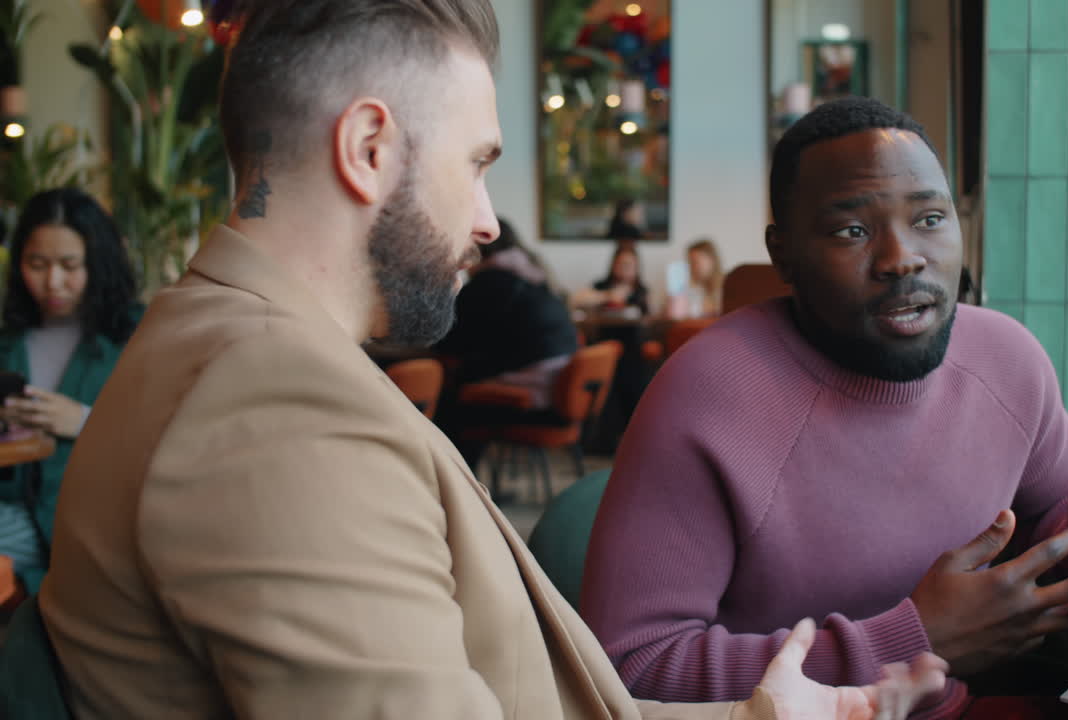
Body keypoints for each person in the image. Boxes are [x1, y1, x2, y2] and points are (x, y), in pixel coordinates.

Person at [37, 4, 947, 718]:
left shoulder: (226, 345)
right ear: (368, 150)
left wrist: (758, 716)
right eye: (475, 165)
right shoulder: (276, 408)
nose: (485, 220)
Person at [581, 97, 1068, 717]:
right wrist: (911, 643)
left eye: (929, 218)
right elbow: (629, 666)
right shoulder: (710, 393)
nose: (901, 258)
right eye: (852, 231)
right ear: (783, 253)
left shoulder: (1005, 358)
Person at [0, 188, 140, 601]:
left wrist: (83, 420)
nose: (53, 282)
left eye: (69, 265)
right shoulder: (11, 339)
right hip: (16, 510)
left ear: (98, 263)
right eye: (37, 264)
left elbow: (168, 437)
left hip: (91, 517)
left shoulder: (136, 335)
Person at [434, 217, 576, 404]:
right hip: (561, 373)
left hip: (534, 382)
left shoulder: (489, 283)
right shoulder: (533, 272)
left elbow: (447, 342)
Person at [573, 242, 650, 317]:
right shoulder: (602, 285)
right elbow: (576, 300)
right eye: (621, 264)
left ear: (636, 267)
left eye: (628, 265)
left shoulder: (641, 291)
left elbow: (650, 313)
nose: (624, 269)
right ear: (613, 265)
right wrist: (607, 296)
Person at [665, 237, 723, 320]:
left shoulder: (725, 286)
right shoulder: (687, 288)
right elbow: (674, 316)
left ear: (712, 260)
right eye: (690, 263)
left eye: (696, 262)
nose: (692, 267)